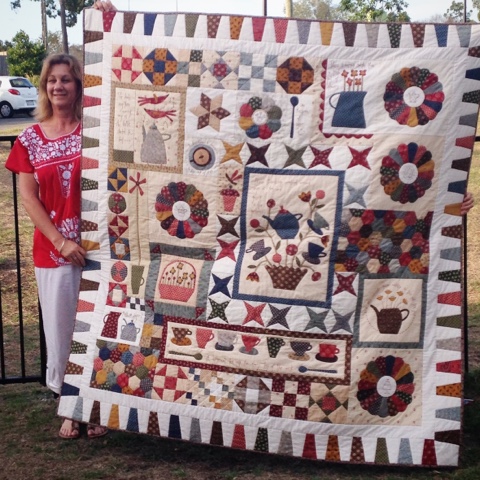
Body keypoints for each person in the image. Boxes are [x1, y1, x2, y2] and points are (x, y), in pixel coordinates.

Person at [5, 53, 108, 440]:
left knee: (99, 327)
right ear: (45, 87)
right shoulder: (29, 139)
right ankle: (70, 405)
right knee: (62, 329)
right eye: (52, 80)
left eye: (66, 79)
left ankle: (95, 403)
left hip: (100, 247)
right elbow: (29, 198)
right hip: (55, 251)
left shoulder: (96, 131)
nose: (58, 86)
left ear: (79, 86)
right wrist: (61, 241)